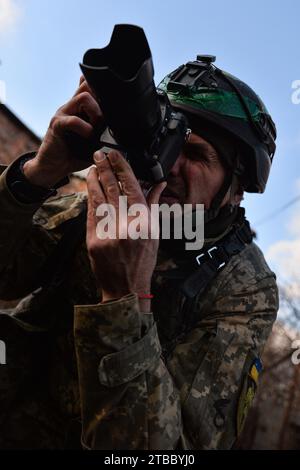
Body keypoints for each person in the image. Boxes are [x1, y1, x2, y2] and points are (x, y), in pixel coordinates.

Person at [0, 56, 278, 450]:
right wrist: (37, 175)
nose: (167, 167)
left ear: (235, 190)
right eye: (165, 145)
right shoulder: (106, 209)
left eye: (197, 156)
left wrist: (125, 299)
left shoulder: (243, 287)